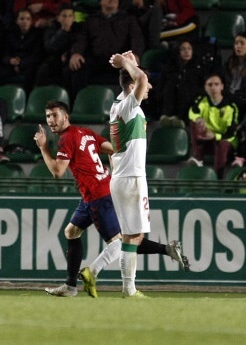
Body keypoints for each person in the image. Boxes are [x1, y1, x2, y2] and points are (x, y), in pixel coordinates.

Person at [35, 100, 188, 298]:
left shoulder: (66, 139)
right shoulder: (84, 132)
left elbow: (57, 171)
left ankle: (92, 273)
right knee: (71, 231)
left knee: (120, 242)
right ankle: (70, 286)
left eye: (55, 115)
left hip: (97, 196)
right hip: (97, 192)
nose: (51, 120)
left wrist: (43, 147)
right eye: (48, 116)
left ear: (66, 117)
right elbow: (112, 149)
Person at [107, 50, 152, 298]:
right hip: (131, 178)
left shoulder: (120, 103)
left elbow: (138, 80)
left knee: (132, 234)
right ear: (133, 86)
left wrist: (131, 63)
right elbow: (142, 81)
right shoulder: (128, 107)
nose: (149, 88)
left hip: (123, 177)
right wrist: (126, 63)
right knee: (134, 235)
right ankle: (129, 289)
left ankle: (129, 288)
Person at [67, 0, 145, 99]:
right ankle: (78, 105)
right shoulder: (91, 20)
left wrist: (136, 55)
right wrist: (76, 53)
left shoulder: (128, 19)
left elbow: (137, 39)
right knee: (76, 67)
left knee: (133, 69)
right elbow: (81, 39)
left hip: (120, 60)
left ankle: (130, 109)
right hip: (96, 60)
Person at [187, 73, 240, 177]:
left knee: (221, 143)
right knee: (194, 123)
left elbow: (231, 133)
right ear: (205, 87)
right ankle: (198, 158)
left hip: (226, 142)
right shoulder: (201, 101)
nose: (213, 88)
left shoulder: (231, 106)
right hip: (207, 140)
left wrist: (215, 136)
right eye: (210, 85)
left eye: (216, 84)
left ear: (222, 86)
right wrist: (198, 118)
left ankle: (218, 177)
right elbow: (192, 112)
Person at [0, 8, 43, 92]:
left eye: (28, 19)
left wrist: (21, 63)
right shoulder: (9, 33)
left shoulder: (37, 34)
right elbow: (3, 52)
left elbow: (37, 55)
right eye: (22, 19)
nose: (25, 21)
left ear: (31, 21)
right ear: (17, 21)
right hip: (11, 65)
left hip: (28, 65)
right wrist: (10, 60)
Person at [157, 39, 205, 125]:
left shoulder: (199, 67)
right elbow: (161, 86)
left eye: (189, 49)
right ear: (178, 51)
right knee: (170, 86)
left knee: (184, 88)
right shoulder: (170, 67)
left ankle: (181, 120)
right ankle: (167, 117)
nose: (186, 51)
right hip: (171, 100)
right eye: (183, 49)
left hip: (191, 100)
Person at [35, 3, 79, 87]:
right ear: (58, 18)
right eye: (64, 16)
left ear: (74, 18)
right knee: (43, 70)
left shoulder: (78, 28)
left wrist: (69, 54)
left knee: (71, 71)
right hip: (55, 59)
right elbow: (49, 47)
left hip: (69, 59)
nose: (67, 19)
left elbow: (79, 43)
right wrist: (63, 31)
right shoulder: (52, 28)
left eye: (70, 16)